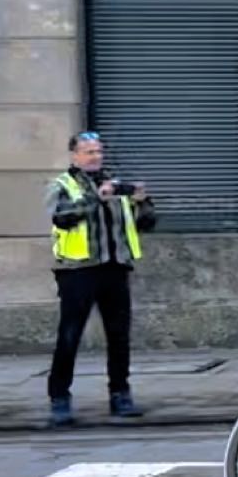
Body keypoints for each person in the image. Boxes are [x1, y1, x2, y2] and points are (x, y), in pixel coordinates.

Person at [45, 129, 157, 427]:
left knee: (119, 336)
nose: (96, 156)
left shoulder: (115, 185)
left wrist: (142, 201)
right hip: (78, 271)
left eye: (98, 151)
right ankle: (59, 398)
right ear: (75, 155)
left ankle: (120, 395)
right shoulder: (63, 185)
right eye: (89, 151)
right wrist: (97, 198)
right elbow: (61, 216)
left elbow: (146, 224)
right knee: (69, 336)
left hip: (115, 268)